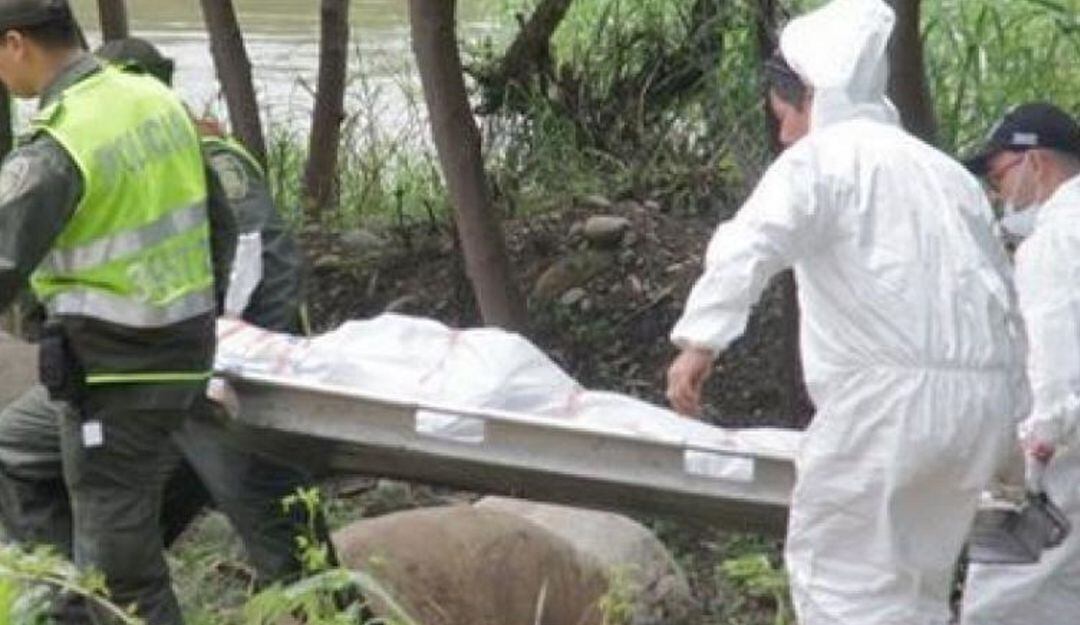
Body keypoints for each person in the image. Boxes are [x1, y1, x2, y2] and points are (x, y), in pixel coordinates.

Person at [664, 0, 1025, 623]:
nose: (783, 135)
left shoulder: (823, 161)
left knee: (842, 586)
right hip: (979, 407)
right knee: (916, 587)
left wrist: (701, 341)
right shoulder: (945, 174)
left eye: (785, 116)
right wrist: (1014, 418)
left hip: (886, 408)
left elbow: (750, 243)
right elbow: (1000, 294)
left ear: (812, 96)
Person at [0, 1, 235, 623]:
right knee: (15, 451)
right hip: (177, 355)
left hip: (112, 380)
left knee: (123, 575)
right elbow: (222, 226)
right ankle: (61, 611)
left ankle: (95, 602)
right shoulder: (155, 102)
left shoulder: (59, 142)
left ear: (16, 44)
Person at [959, 103, 1080, 625]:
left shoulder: (1054, 239)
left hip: (1068, 449)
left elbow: (1054, 347)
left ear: (1037, 163)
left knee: (1006, 590)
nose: (997, 192)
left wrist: (1038, 444)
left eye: (998, 174)